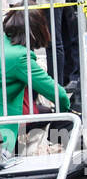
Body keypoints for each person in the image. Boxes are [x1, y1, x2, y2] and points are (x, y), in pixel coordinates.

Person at [0, 12, 69, 157]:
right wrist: (66, 113)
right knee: (52, 114)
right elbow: (59, 94)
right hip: (5, 127)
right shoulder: (20, 57)